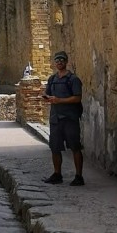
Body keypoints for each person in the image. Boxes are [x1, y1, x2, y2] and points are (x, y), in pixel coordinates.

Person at [42, 51, 84, 186]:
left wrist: (60, 100)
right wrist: (47, 98)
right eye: (57, 60)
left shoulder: (73, 79)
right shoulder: (52, 79)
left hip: (70, 118)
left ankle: (79, 176)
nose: (59, 62)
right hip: (56, 118)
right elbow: (47, 94)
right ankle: (57, 174)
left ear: (66, 62)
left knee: (75, 147)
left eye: (62, 60)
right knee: (55, 148)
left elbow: (77, 97)